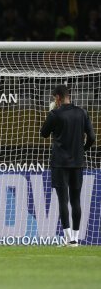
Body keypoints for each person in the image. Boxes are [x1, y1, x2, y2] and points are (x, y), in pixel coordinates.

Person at [40, 85, 95, 247]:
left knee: (63, 200)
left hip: (59, 163)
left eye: (53, 98)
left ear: (57, 97)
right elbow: (91, 137)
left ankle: (68, 238)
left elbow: (43, 134)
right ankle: (76, 240)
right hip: (77, 163)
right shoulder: (82, 113)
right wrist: (81, 150)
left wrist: (50, 115)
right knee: (76, 200)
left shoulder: (55, 114)